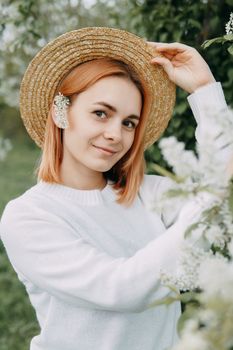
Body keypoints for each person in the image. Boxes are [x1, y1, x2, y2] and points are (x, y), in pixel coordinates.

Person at [0, 27, 229, 350]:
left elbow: (225, 190)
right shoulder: (28, 216)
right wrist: (211, 197)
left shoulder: (151, 194)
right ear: (61, 111)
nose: (115, 134)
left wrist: (205, 90)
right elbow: (120, 289)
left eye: (129, 123)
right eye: (100, 113)